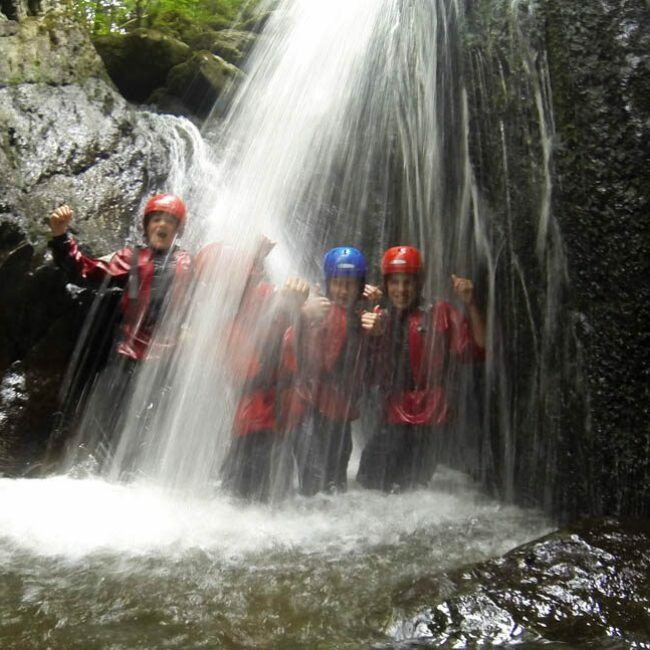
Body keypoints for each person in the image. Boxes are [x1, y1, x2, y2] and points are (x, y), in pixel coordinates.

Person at [47, 194, 192, 467]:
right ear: (146, 226)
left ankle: (143, 470)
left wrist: (255, 258)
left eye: (169, 221)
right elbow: (85, 270)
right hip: (128, 351)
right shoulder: (130, 258)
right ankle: (105, 468)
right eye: (156, 219)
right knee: (114, 416)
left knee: (156, 422)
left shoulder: (189, 263)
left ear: (178, 229)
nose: (162, 225)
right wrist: (61, 235)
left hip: (168, 358)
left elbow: (225, 287)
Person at [356, 245, 486, 492]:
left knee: (410, 484)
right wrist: (370, 332)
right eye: (395, 282)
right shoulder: (380, 317)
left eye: (408, 282)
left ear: (419, 283)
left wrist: (471, 304)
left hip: (430, 413)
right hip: (393, 410)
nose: (401, 289)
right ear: (386, 284)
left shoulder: (440, 312)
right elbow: (363, 371)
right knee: (369, 476)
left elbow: (477, 350)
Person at [202, 238, 310, 502]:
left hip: (270, 418)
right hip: (250, 418)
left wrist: (297, 303)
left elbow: (290, 310)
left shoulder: (264, 300)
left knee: (258, 494)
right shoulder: (222, 318)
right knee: (242, 492)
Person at [281, 246, 383, 496]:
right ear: (328, 284)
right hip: (309, 410)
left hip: (341, 413)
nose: (344, 291)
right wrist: (301, 314)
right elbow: (289, 350)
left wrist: (377, 332)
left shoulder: (364, 317)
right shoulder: (317, 310)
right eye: (338, 283)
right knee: (315, 484)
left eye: (350, 284)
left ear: (360, 286)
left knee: (336, 483)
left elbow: (373, 370)